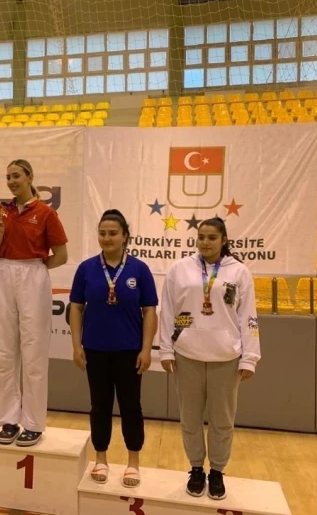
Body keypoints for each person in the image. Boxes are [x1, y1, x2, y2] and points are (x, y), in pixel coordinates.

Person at [159, 217, 261, 501]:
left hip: (226, 357)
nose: (205, 242)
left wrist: (249, 358)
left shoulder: (239, 271)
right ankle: (195, 469)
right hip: (187, 355)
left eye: (212, 237)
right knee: (190, 419)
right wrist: (166, 349)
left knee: (222, 420)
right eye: (201, 237)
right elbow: (168, 311)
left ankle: (216, 471)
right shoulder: (179, 269)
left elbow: (248, 316)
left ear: (224, 240)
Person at [69, 210, 157, 488]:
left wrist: (146, 349)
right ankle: (101, 458)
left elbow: (150, 311)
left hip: (129, 351)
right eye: (102, 233)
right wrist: (76, 345)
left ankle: (133, 462)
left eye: (113, 233)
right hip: (95, 350)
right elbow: (76, 308)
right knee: (100, 405)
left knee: (131, 406)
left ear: (125, 236)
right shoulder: (86, 268)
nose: (107, 238)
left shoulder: (139, 269)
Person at [0, 159, 68, 446]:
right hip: (4, 272)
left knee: (34, 351)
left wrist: (38, 269)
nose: (11, 181)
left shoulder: (46, 213)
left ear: (30, 177)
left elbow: (61, 255)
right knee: (3, 351)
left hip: (33, 273)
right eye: (8, 177)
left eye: (16, 176)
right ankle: (8, 420)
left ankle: (33, 423)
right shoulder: (1, 211)